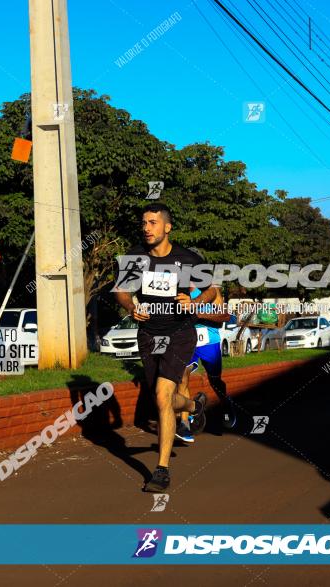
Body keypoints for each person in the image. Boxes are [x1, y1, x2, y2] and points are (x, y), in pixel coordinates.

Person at [114, 203, 217, 492]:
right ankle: (194, 405)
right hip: (148, 335)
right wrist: (130, 307)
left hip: (180, 333)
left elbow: (211, 288)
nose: (146, 228)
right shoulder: (135, 257)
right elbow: (122, 291)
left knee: (162, 395)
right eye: (144, 223)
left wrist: (195, 302)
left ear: (167, 227)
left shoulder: (187, 259)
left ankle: (161, 471)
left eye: (153, 223)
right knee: (163, 401)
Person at [174, 287, 236, 442]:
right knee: (182, 378)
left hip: (209, 341)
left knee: (215, 380)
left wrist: (199, 314)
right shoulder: (177, 290)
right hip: (187, 340)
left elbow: (225, 316)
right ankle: (184, 423)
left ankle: (226, 404)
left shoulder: (211, 290)